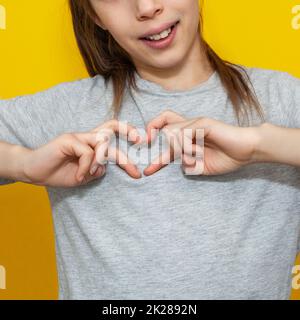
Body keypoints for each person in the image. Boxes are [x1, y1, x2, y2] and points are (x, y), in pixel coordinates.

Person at [0, 0, 299, 299]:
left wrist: (260, 145)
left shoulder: (281, 101)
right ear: (94, 15)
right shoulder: (70, 111)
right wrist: (23, 164)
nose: (146, 7)